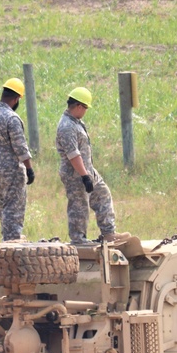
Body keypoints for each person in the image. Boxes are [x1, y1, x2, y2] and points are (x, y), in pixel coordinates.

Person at [54, 86, 130, 245]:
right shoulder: (67, 126)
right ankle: (78, 239)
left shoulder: (76, 122)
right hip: (76, 174)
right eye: (86, 108)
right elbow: (73, 154)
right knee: (79, 205)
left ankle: (109, 233)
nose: (86, 111)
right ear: (79, 106)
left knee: (103, 194)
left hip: (87, 171)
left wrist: (89, 174)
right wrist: (84, 176)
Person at [0, 77, 34, 242]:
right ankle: (13, 240)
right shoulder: (11, 118)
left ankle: (8, 237)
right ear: (16, 98)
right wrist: (29, 168)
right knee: (15, 206)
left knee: (3, 205)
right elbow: (20, 148)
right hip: (12, 169)